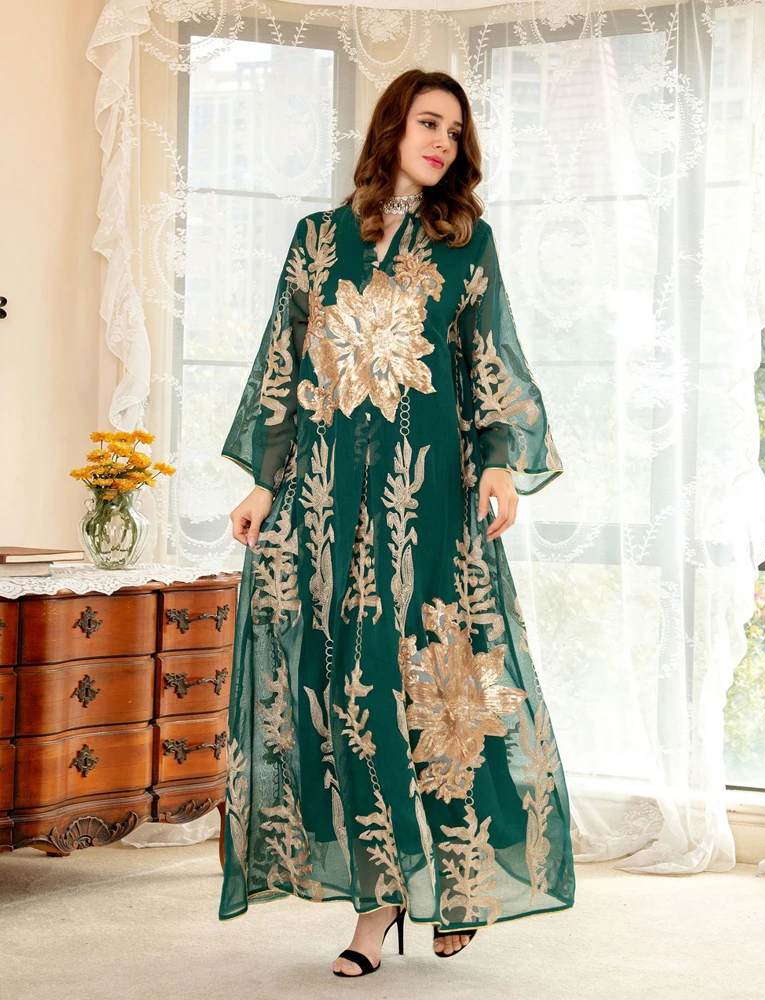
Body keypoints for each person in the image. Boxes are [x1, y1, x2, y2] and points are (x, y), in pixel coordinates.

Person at [220, 67, 575, 978]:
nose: (443, 142)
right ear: (393, 129)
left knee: (439, 691)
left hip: (429, 510)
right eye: (429, 123)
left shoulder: (467, 243)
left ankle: (458, 883)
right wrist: (263, 482)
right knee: (349, 698)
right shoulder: (318, 240)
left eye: (455, 131)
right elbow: (283, 364)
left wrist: (499, 461)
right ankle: (376, 907)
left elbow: (489, 358)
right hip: (327, 507)